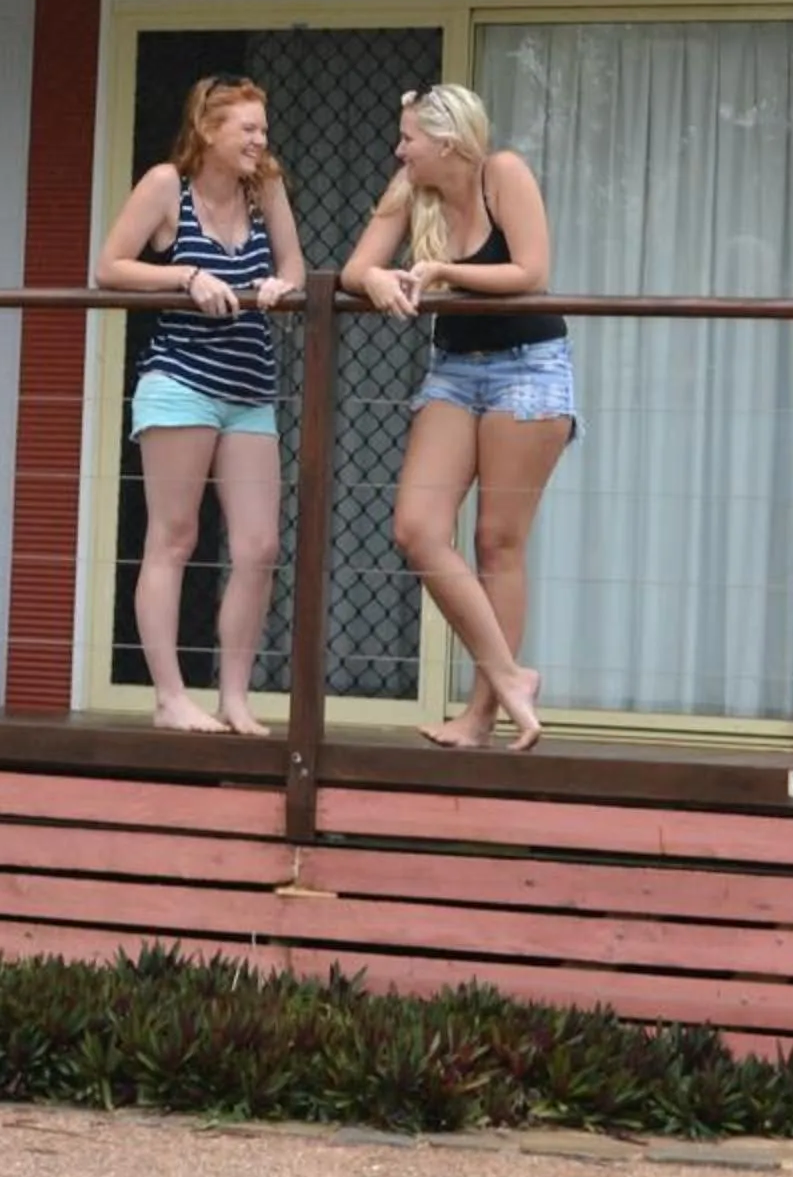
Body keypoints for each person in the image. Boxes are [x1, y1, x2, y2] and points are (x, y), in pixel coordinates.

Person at [340, 82, 577, 752]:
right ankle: (510, 676)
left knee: (498, 543)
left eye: (409, 138)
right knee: (417, 528)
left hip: (528, 366)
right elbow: (359, 265)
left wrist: (443, 268)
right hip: (454, 368)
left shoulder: (503, 173)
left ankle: (481, 716)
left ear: (446, 142)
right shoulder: (410, 189)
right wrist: (378, 280)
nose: (399, 149)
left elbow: (532, 270)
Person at [94, 74, 306, 735]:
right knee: (175, 536)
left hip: (249, 388)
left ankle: (234, 697)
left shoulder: (264, 187)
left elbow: (297, 269)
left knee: (259, 545)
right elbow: (111, 266)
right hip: (179, 381)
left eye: (263, 129)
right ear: (208, 131)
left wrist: (278, 286)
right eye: (247, 128)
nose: (259, 140)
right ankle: (169, 698)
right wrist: (187, 275)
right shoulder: (166, 187)